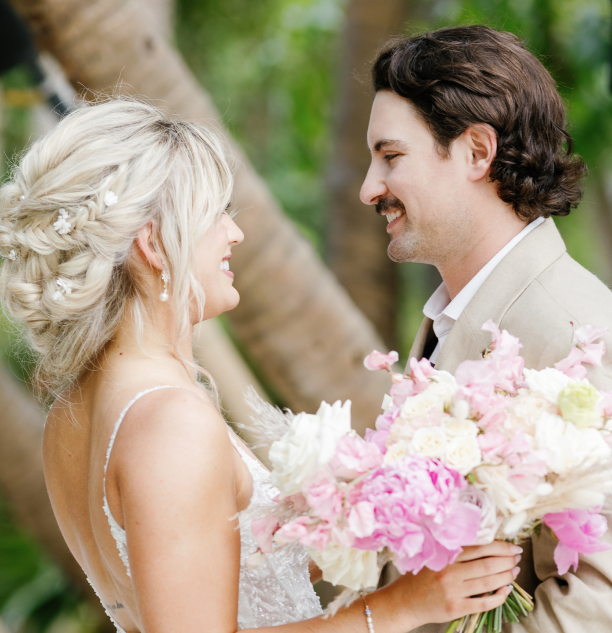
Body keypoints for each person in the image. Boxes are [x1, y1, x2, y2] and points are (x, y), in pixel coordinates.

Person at [0, 99, 519, 632]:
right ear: (154, 244)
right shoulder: (169, 423)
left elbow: (209, 573)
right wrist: (399, 608)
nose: (234, 233)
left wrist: (386, 511)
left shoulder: (72, 413)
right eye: (214, 215)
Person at [360, 25, 612, 632]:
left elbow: (597, 602)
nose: (370, 188)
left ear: (477, 151)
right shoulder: (453, 318)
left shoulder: (579, 334)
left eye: (391, 157)